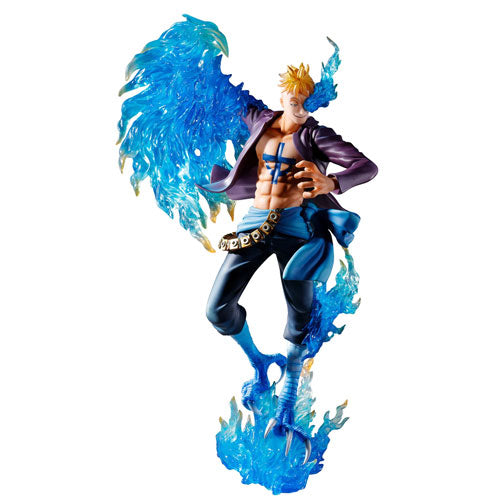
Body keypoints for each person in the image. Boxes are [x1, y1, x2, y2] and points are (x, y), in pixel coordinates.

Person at [199, 63, 378, 458]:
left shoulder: (316, 135)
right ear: (282, 97)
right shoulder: (260, 120)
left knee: (301, 319)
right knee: (217, 309)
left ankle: (286, 406)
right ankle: (259, 362)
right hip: (255, 222)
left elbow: (367, 166)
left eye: (305, 104)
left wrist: (332, 181)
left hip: (297, 228)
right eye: (294, 102)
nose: (299, 111)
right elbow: (225, 94)